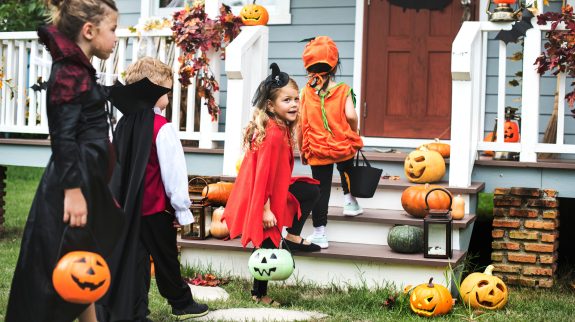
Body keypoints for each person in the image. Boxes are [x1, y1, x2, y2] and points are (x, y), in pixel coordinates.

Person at [6, 0, 124, 321]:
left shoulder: (80, 69)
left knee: (83, 254)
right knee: (56, 264)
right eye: (112, 29)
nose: (116, 37)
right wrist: (72, 191)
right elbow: (63, 135)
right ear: (89, 30)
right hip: (74, 181)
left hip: (88, 178)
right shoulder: (69, 73)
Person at [96, 57, 209, 321]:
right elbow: (174, 174)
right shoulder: (163, 128)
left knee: (135, 262)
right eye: (166, 89)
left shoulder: (122, 126)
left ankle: (135, 311)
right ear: (152, 90)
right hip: (157, 210)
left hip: (130, 209)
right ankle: (180, 303)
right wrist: (182, 210)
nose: (169, 93)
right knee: (166, 259)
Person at [224, 63, 321, 307]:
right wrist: (266, 209)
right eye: (286, 100)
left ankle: (292, 238)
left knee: (309, 190)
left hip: (274, 188)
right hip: (262, 194)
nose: (294, 105)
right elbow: (263, 174)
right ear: (271, 106)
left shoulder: (279, 128)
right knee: (266, 242)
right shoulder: (273, 134)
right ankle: (259, 293)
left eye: (296, 99)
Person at [298, 36, 364, 249]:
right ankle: (350, 202)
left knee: (321, 189)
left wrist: (301, 148)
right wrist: (354, 132)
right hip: (342, 145)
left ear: (308, 65)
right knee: (347, 170)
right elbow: (352, 116)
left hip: (317, 149)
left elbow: (300, 124)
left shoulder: (305, 92)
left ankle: (319, 233)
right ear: (335, 65)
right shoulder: (343, 89)